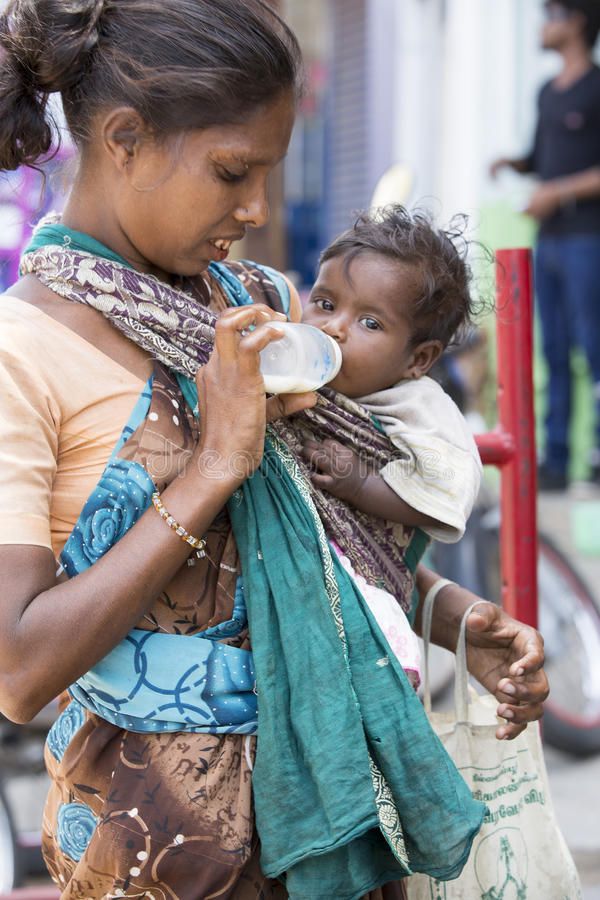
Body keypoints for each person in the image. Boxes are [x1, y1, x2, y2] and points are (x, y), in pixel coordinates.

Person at [0, 1, 548, 898]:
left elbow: (309, 555)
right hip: (158, 850)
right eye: (231, 171)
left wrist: (453, 619)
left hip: (340, 820)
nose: (255, 208)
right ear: (125, 137)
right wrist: (215, 463)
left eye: (267, 174)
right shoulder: (22, 350)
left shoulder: (257, 305)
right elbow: (19, 673)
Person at [300, 206, 483, 688]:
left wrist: (362, 483)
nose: (334, 327)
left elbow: (446, 492)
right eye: (324, 303)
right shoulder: (297, 368)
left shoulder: (419, 408)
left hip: (370, 580)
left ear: (418, 359)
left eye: (370, 324)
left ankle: (387, 657)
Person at [490, 0, 600, 492]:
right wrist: (514, 164)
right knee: (552, 350)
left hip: (588, 239)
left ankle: (595, 458)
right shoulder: (546, 94)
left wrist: (556, 193)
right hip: (549, 241)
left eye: (552, 13)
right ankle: (555, 462)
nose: (543, 24)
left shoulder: (596, 88)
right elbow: (541, 159)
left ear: (576, 21)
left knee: (594, 349)